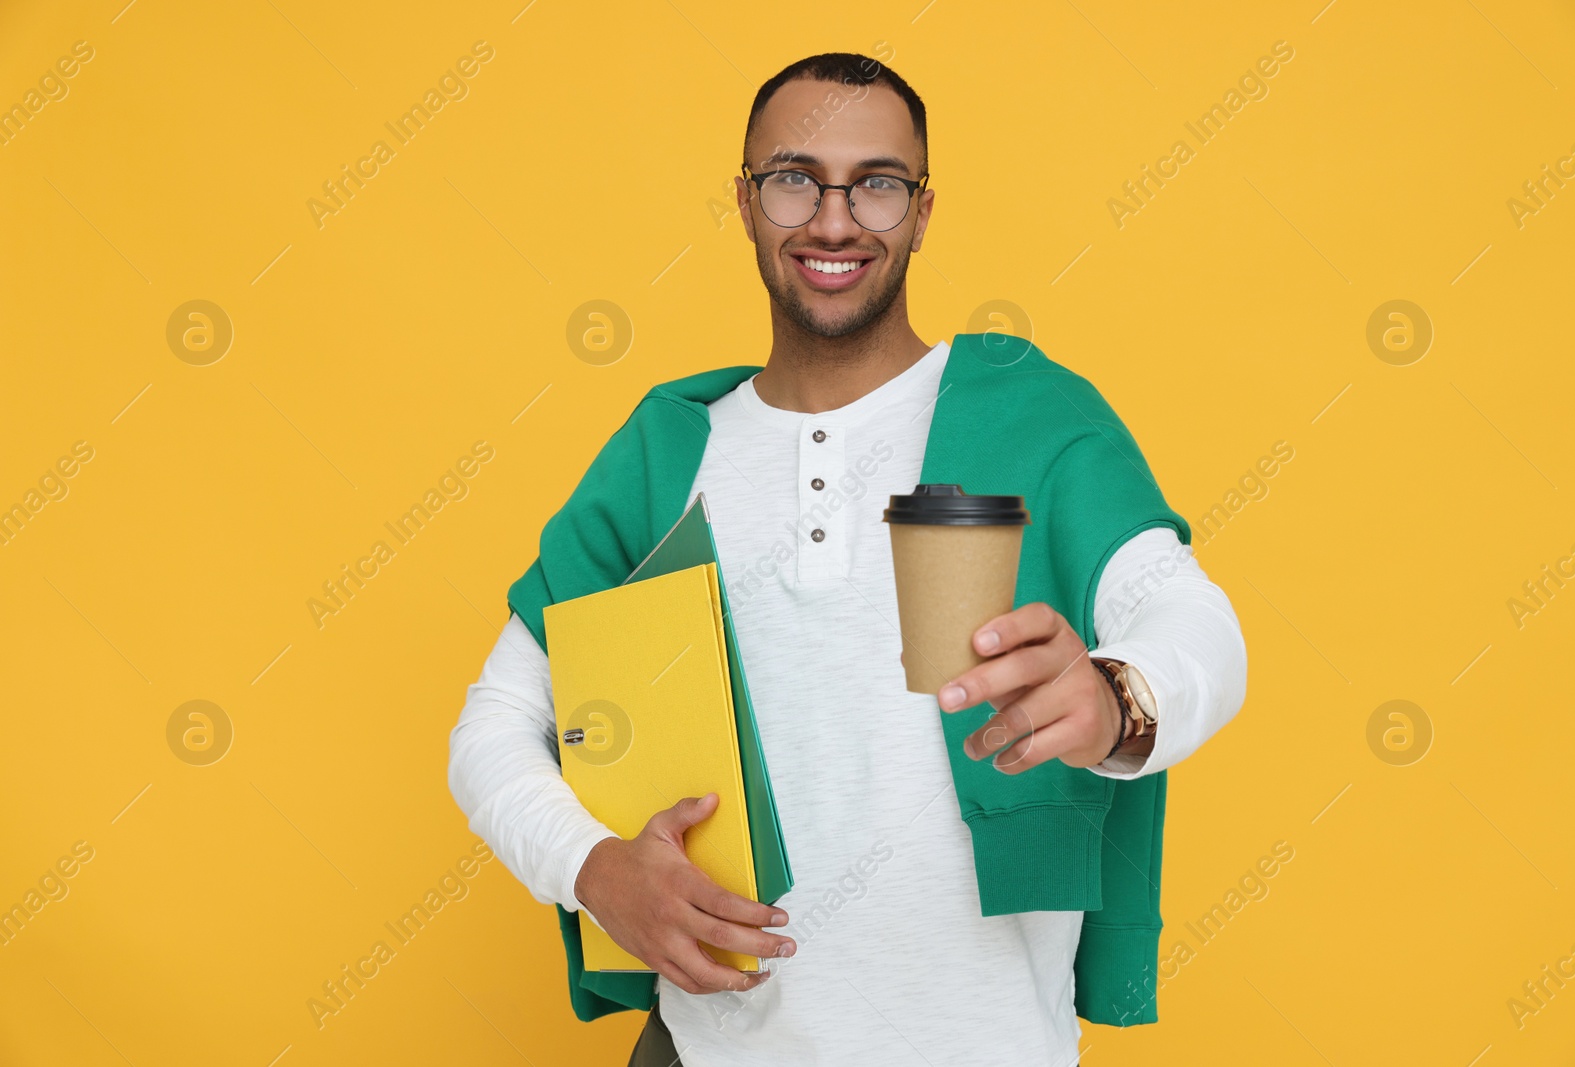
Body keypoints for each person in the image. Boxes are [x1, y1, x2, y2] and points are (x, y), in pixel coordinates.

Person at [449, 52, 1247, 1067]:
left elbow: (1195, 621)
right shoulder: (665, 455)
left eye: (876, 183)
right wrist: (591, 865)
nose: (834, 220)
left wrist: (1116, 696)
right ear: (743, 202)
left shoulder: (1034, 417)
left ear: (921, 209)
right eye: (794, 177)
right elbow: (494, 723)